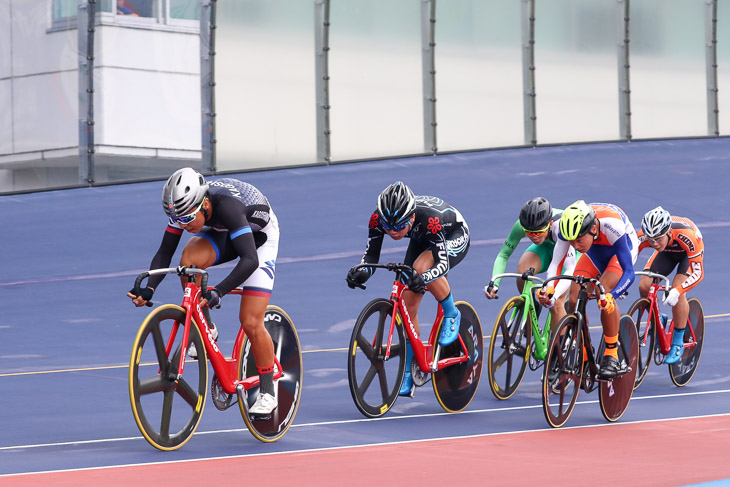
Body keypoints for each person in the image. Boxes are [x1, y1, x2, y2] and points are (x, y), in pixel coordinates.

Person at [127, 167, 279, 416]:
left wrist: (219, 290)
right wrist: (149, 287)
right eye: (179, 220)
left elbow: (249, 259)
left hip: (260, 239)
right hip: (225, 230)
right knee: (188, 262)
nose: (184, 225)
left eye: (188, 219)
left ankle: (267, 390)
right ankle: (207, 330)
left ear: (205, 204)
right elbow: (165, 252)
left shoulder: (228, 207)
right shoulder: (183, 210)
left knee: (251, 321)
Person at [346, 181, 470, 397]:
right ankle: (408, 374)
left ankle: (451, 312)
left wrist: (423, 278)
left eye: (398, 227)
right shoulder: (378, 219)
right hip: (422, 237)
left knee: (421, 268)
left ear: (411, 217)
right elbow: (371, 256)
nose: (393, 232)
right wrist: (362, 272)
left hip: (451, 235)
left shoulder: (430, 219)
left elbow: (441, 264)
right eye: (388, 227)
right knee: (408, 304)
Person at [539, 200, 638, 379]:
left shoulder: (613, 226)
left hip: (621, 250)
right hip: (595, 251)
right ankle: (583, 351)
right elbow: (555, 263)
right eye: (571, 241)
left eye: (578, 240)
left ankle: (611, 353)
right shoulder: (566, 227)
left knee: (603, 291)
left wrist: (612, 296)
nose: (575, 246)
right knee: (574, 298)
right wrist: (549, 289)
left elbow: (629, 273)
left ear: (592, 228)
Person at [484, 197, 577, 329]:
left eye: (538, 232)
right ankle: (533, 306)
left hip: (568, 252)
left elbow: (568, 268)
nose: (534, 237)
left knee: (556, 304)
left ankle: (558, 348)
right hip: (546, 248)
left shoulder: (560, 227)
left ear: (550, 224)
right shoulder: (521, 225)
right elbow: (503, 255)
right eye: (529, 233)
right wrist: (495, 284)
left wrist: (553, 294)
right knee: (523, 271)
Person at [636, 206, 704, 364]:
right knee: (644, 286)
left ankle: (678, 341)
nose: (654, 243)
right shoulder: (647, 237)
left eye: (658, 239)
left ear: (668, 232)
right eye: (650, 239)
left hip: (687, 254)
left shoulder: (687, 235)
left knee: (677, 291)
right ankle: (659, 319)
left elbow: (698, 273)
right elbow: (628, 257)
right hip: (666, 254)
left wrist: (678, 291)